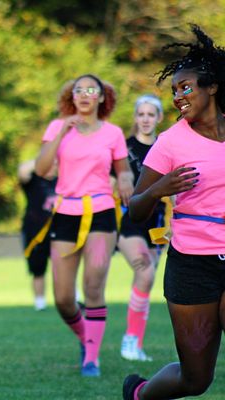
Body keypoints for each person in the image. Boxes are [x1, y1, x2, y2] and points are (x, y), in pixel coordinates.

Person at [123, 25, 225, 400]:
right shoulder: (170, 143)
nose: (179, 97)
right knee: (195, 380)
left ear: (211, 86)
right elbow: (135, 209)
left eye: (186, 88)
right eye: (174, 91)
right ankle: (140, 394)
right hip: (192, 264)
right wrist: (158, 190)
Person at [34, 74, 134, 377]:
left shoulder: (113, 133)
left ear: (102, 97)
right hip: (66, 214)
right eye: (79, 90)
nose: (85, 95)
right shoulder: (57, 126)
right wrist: (63, 131)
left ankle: (92, 359)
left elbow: (124, 171)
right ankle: (86, 337)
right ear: (72, 96)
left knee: (93, 285)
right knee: (63, 298)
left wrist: (127, 183)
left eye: (92, 90)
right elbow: (41, 169)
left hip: (102, 212)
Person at [118, 94, 165, 362]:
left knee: (145, 282)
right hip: (129, 221)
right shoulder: (123, 149)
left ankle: (135, 342)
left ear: (158, 117)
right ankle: (129, 340)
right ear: (135, 117)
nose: (146, 119)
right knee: (144, 271)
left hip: (158, 224)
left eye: (151, 114)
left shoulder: (166, 146)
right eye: (141, 114)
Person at [18, 159, 57, 311]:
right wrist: (46, 155)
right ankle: (40, 303)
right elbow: (22, 171)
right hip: (35, 232)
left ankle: (74, 298)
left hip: (58, 231)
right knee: (38, 269)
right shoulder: (33, 181)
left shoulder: (62, 181)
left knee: (64, 267)